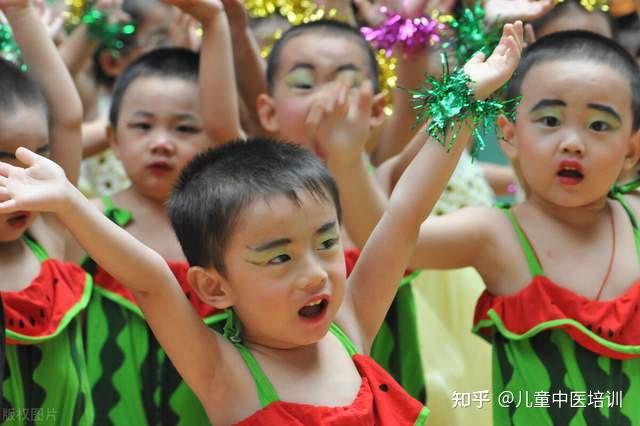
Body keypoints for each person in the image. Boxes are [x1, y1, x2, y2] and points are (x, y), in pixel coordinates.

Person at [0, 21, 525, 424]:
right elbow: (152, 281)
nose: (317, 271)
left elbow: (406, 210)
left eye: (324, 243)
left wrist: (466, 96)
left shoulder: (352, 323)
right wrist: (68, 201)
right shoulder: (220, 370)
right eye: (279, 257)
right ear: (214, 286)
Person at [335, 29, 640, 425]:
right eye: (550, 120)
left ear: (631, 151)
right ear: (508, 134)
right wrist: (348, 161)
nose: (572, 143)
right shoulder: (494, 234)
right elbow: (388, 232)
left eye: (598, 126)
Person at [70, 0, 244, 423]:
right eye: (142, 126)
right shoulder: (88, 221)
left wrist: (216, 21)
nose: (161, 142)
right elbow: (60, 121)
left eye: (184, 128)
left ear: (216, 135)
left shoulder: (231, 228)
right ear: (111, 136)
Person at [0, 0, 91, 423]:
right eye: (4, 162)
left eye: (37, 156)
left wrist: (20, 14)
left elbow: (68, 117)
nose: (26, 182)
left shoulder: (51, 232)